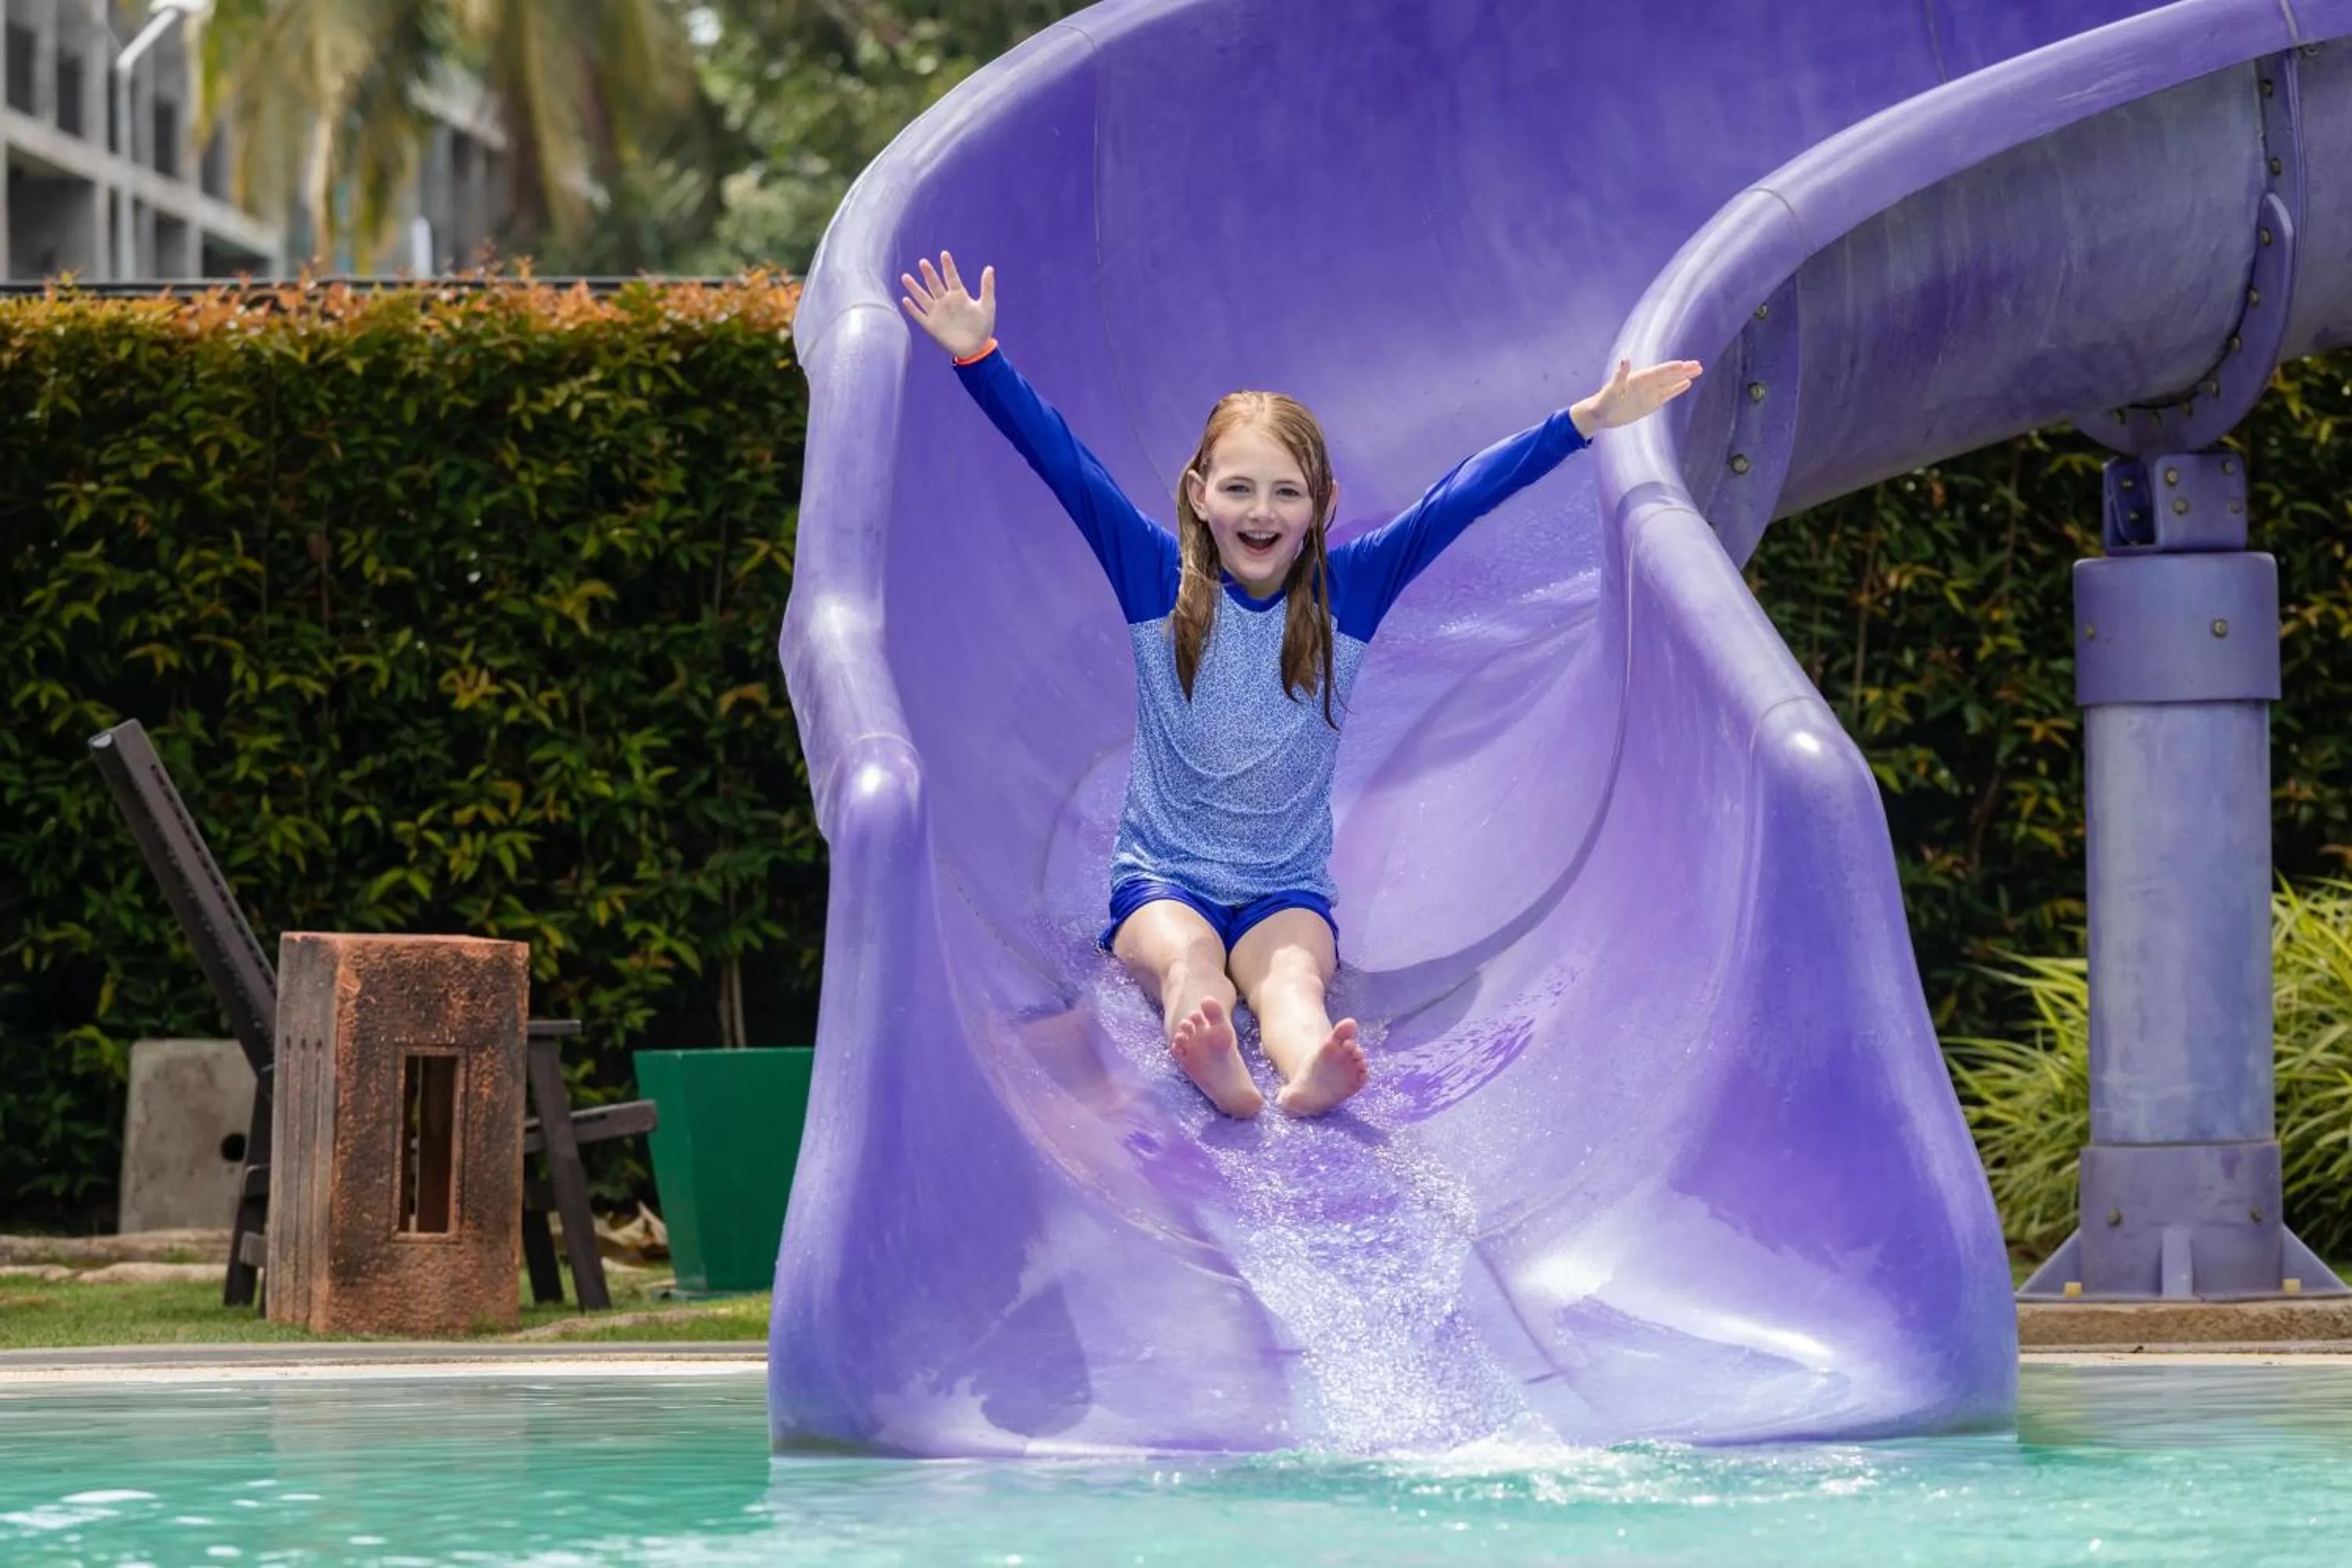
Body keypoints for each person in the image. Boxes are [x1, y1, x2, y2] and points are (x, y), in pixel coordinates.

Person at [902, 252, 1699, 1120]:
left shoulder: (1347, 589)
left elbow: (1458, 496)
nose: (1261, 511)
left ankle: (1309, 1065)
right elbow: (1065, 463)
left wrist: (1584, 421)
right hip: (1162, 881)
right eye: (1239, 488)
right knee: (1187, 965)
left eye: (1286, 492)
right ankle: (1209, 1053)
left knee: (1290, 976)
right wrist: (980, 359)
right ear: (1199, 495)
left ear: (1321, 504)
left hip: (1286, 885)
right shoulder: (1154, 575)